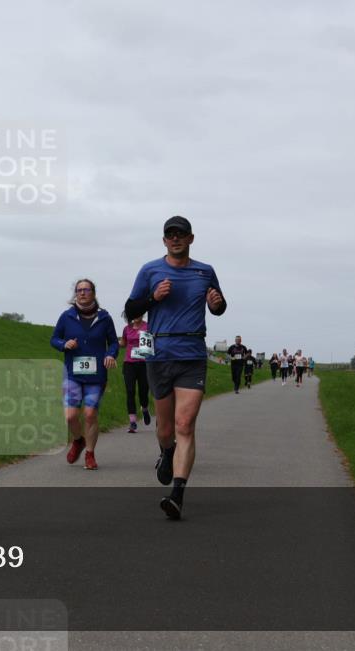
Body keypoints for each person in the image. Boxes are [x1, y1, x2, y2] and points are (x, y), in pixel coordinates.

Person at [124, 216, 226, 520]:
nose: (175, 239)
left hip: (192, 354)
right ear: (164, 240)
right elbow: (130, 310)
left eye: (181, 234)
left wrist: (216, 303)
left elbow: (219, 307)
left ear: (191, 238)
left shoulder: (204, 271)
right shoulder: (150, 270)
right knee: (166, 429)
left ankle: (177, 495)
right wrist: (152, 298)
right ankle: (166, 452)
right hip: (160, 355)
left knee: (185, 424)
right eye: (170, 235)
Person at [51, 279, 118, 469]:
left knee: (89, 414)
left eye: (86, 290)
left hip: (96, 376)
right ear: (75, 294)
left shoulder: (104, 318)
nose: (82, 293)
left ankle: (90, 453)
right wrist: (64, 344)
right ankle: (78, 440)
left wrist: (110, 354)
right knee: (71, 416)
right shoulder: (67, 316)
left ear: (93, 293)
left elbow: (113, 342)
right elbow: (54, 339)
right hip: (72, 373)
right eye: (79, 290)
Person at [118, 313, 152, 432]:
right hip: (129, 364)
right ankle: (132, 422)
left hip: (144, 364)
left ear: (142, 315)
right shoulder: (127, 328)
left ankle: (145, 409)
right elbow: (123, 343)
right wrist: (114, 343)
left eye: (139, 313)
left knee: (143, 391)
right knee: (130, 391)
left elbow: (152, 343)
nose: (136, 315)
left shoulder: (148, 326)